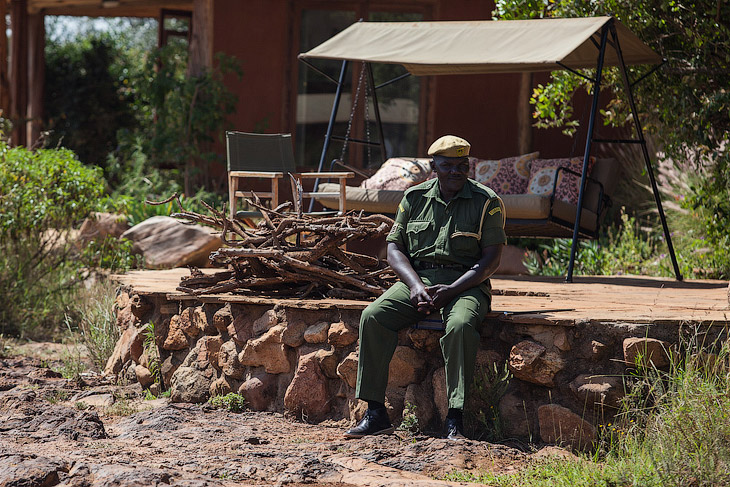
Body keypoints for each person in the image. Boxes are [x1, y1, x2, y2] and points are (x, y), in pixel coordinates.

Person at [344, 135, 506, 440]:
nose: (456, 171)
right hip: (420, 281)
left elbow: (491, 260)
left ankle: (454, 418)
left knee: (459, 325)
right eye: (448, 165)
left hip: (467, 283)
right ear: (435, 167)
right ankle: (376, 413)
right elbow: (394, 249)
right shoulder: (414, 198)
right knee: (373, 316)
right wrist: (416, 286)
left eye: (462, 165)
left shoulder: (487, 201)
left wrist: (451, 290)